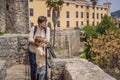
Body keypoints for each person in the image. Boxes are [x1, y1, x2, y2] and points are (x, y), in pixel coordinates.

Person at [28, 16, 50, 80]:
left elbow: (47, 40)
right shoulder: (34, 28)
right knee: (33, 68)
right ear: (39, 23)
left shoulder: (47, 29)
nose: (45, 24)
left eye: (45, 22)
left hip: (41, 52)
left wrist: (36, 40)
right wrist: (40, 42)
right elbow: (30, 39)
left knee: (41, 67)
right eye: (44, 23)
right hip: (32, 51)